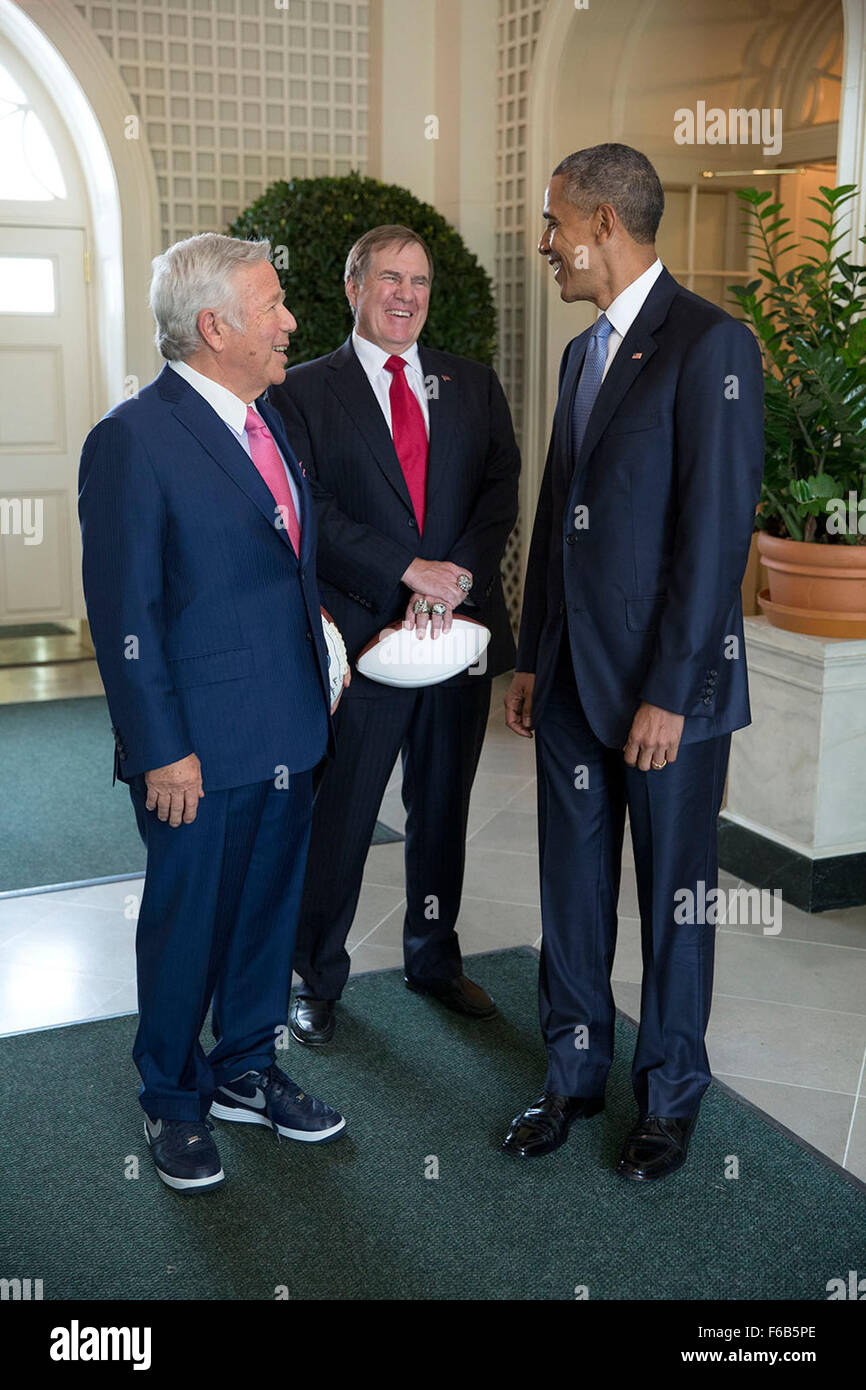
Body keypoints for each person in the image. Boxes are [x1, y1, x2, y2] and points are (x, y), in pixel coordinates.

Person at [502, 145, 764, 1180]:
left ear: (604, 222)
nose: (544, 243)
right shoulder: (579, 354)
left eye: (554, 221)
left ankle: (667, 1098)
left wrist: (669, 691)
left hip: (667, 701)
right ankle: (569, 1075)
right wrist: (530, 654)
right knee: (569, 890)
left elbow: (713, 540)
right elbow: (556, 510)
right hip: (568, 682)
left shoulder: (712, 345)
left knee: (670, 902)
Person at [78, 233, 347, 1195]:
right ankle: (173, 1099)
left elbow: (271, 562)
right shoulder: (131, 440)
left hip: (287, 727)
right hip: (195, 749)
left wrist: (320, 644)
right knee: (188, 925)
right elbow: (126, 616)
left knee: (267, 917)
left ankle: (245, 1067)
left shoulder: (266, 420)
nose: (290, 321)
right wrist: (161, 751)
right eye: (272, 305)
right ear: (213, 326)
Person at [269, 225, 520, 1046]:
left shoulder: (472, 384)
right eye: (388, 277)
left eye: (417, 280)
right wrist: (408, 570)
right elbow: (309, 510)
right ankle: (315, 974)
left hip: (455, 637)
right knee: (343, 813)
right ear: (353, 288)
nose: (405, 294)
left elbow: (498, 491)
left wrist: (457, 580)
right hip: (364, 636)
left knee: (442, 808)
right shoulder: (302, 391)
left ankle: (434, 959)